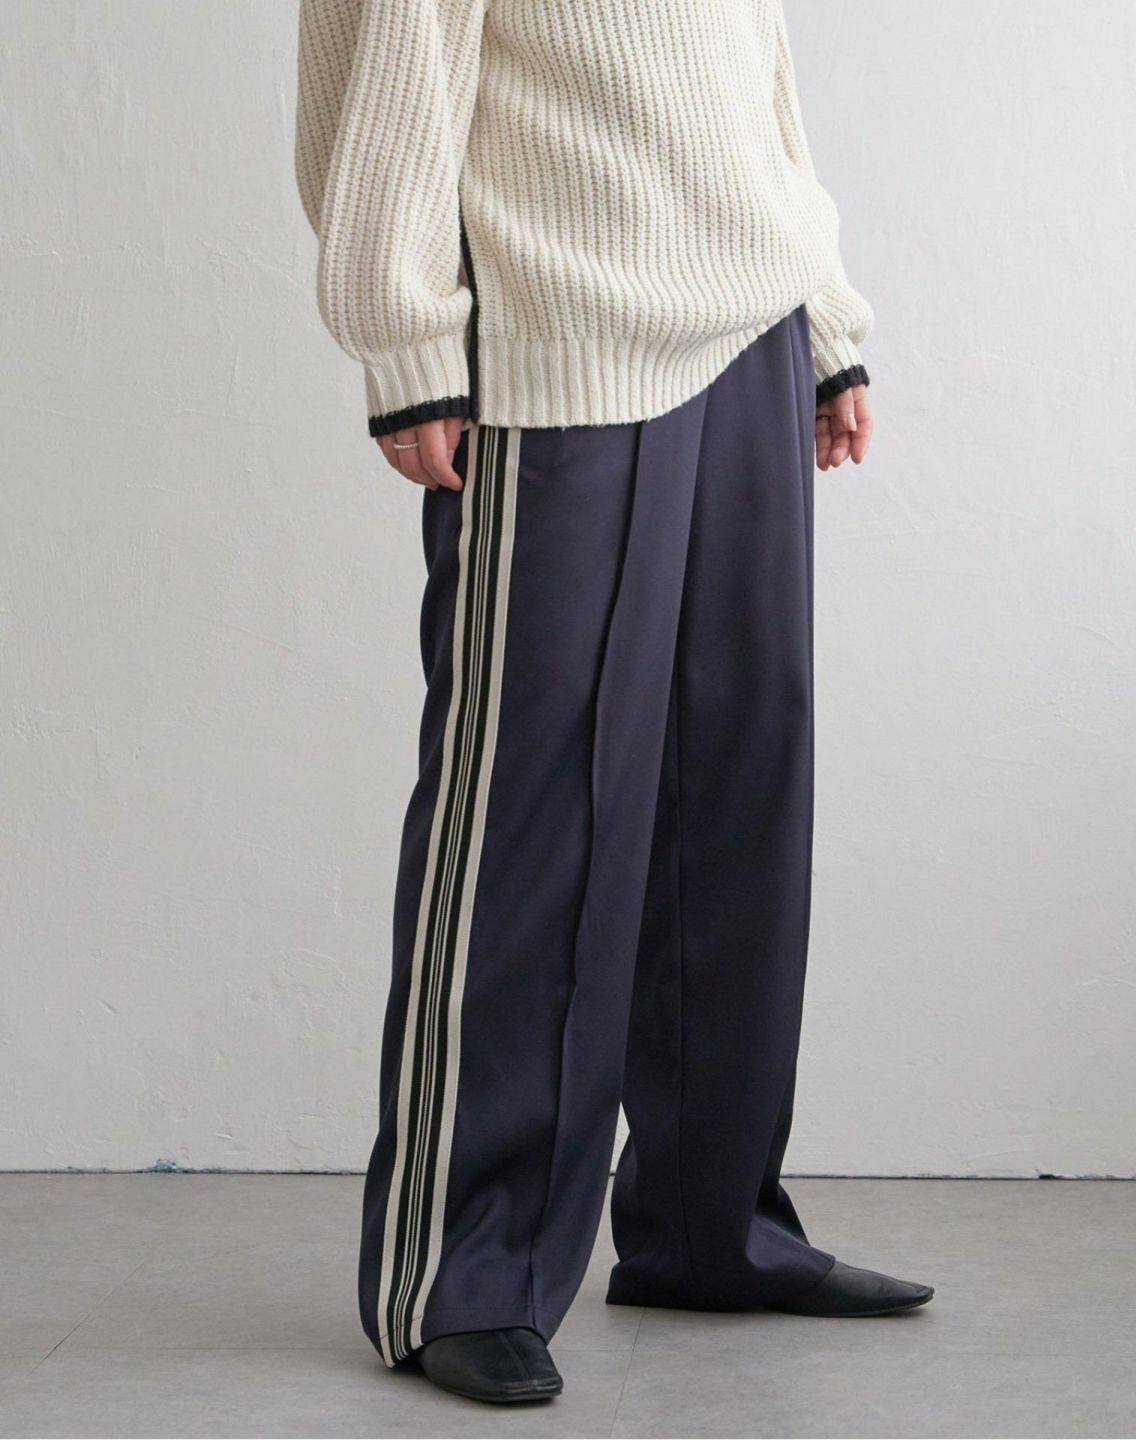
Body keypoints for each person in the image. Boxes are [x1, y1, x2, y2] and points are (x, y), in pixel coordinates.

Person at [295, 0, 933, 1406]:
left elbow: (754, 74)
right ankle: (459, 1276)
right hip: (557, 340)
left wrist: (826, 319)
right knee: (530, 814)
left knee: (736, 794)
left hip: (751, 330)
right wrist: (409, 338)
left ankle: (713, 1229)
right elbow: (383, 75)